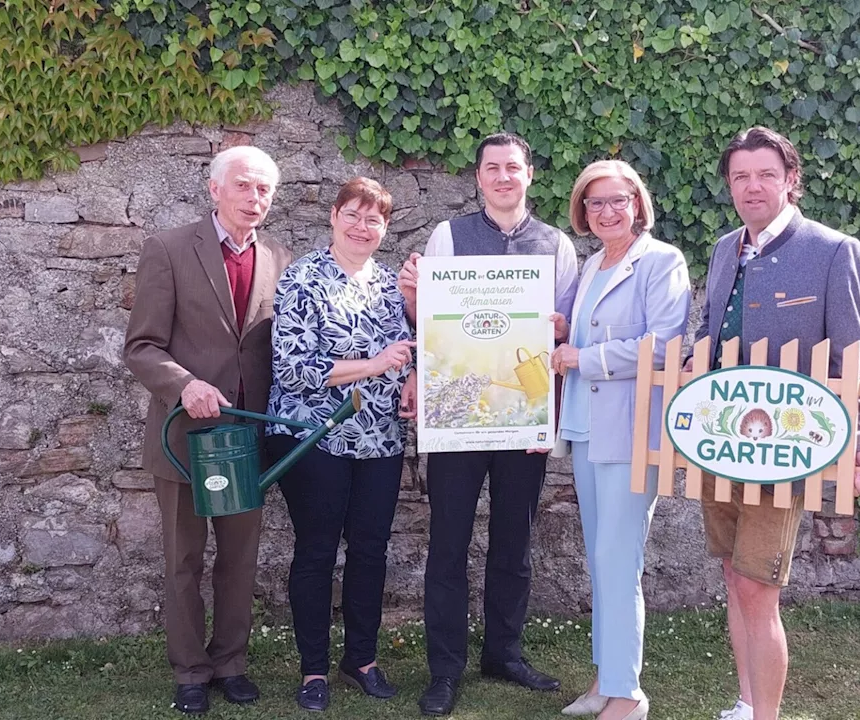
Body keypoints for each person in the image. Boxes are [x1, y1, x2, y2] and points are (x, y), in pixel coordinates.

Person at [690, 127, 860, 720]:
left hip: (787, 451)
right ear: (730, 185)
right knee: (732, 577)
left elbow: (850, 355)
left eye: (766, 175)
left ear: (791, 180)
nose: (753, 187)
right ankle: (747, 702)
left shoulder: (833, 249)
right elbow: (710, 330)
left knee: (759, 587)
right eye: (741, 177)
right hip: (719, 437)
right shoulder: (726, 247)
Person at [397, 132, 579, 717]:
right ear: (478, 177)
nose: (503, 177)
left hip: (524, 416)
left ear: (530, 175)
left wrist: (558, 328)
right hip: (458, 416)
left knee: (515, 542)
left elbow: (570, 333)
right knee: (448, 544)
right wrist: (410, 303)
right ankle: (444, 669)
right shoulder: (448, 237)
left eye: (513, 168)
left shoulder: (557, 246)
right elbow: (430, 321)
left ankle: (504, 652)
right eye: (492, 168)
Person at [123, 145, 293, 714]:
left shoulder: (278, 257)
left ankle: (231, 664)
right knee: (183, 561)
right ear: (214, 189)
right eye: (243, 186)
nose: (255, 198)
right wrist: (184, 384)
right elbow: (141, 346)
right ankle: (191, 672)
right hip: (184, 439)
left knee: (240, 560)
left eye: (264, 189)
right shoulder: (169, 250)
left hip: (247, 441)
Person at [264, 177, 415, 712]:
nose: (362, 226)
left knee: (371, 549)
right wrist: (372, 366)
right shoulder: (303, 277)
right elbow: (293, 368)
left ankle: (362, 659)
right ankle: (312, 671)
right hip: (315, 437)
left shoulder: (389, 285)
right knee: (317, 551)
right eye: (352, 214)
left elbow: (410, 350)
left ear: (384, 228)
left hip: (379, 437)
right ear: (333, 216)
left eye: (374, 219)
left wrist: (411, 382)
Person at [548, 160, 691, 720]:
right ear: (582, 211)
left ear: (638, 204)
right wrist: (568, 333)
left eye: (617, 200)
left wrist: (585, 356)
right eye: (594, 203)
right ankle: (606, 679)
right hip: (585, 427)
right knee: (600, 559)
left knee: (617, 556)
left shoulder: (661, 261)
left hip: (631, 430)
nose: (606, 211)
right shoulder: (591, 266)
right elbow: (590, 332)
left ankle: (628, 696)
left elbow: (665, 346)